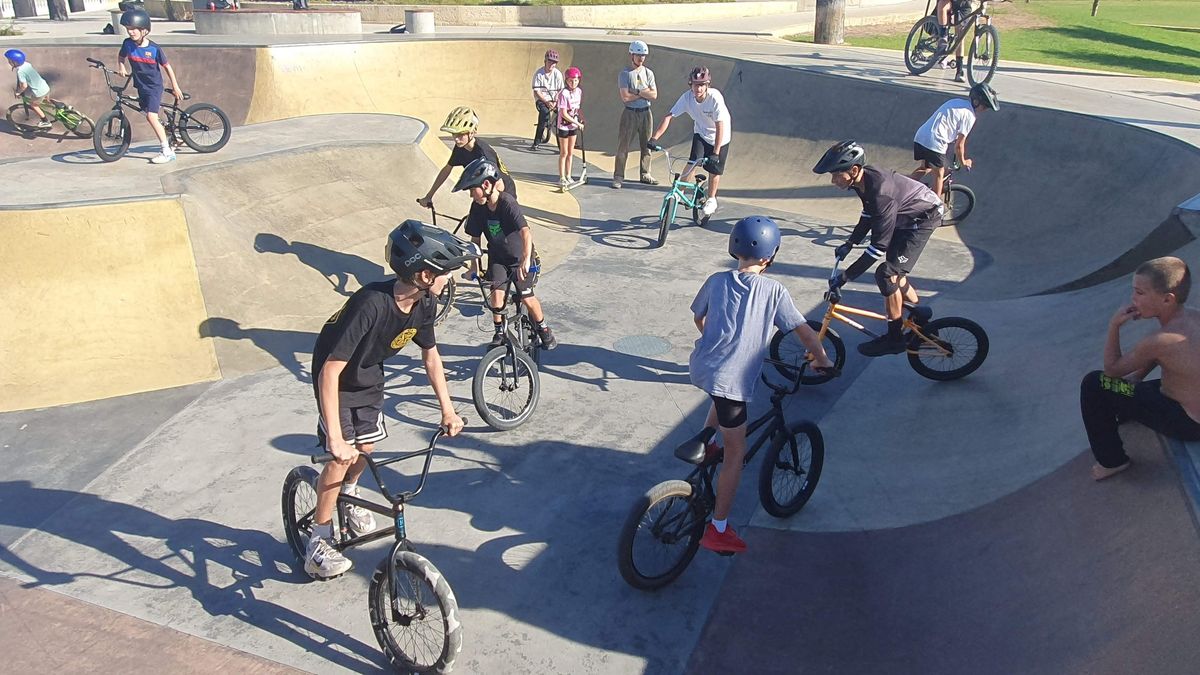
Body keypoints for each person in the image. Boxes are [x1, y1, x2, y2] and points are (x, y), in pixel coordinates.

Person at [305, 220, 478, 579]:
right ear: (427, 275)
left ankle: (348, 499)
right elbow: (330, 370)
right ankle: (318, 541)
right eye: (447, 273)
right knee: (340, 457)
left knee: (365, 451)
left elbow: (430, 355)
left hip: (368, 376)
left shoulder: (424, 304)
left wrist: (448, 409)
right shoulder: (371, 304)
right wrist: (335, 438)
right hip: (335, 379)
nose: (452, 280)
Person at [690, 216, 835, 553]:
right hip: (731, 379)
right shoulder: (774, 291)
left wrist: (714, 341)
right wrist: (823, 359)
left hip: (701, 366)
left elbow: (699, 317)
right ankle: (719, 528)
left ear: (733, 248)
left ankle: (708, 441)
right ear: (770, 256)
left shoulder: (716, 280)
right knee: (736, 454)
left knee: (720, 395)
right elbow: (803, 331)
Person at [813, 140, 943, 357]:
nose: (834, 180)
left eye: (837, 175)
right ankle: (920, 319)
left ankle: (894, 339)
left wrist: (845, 277)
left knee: (886, 273)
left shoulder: (881, 192)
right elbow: (867, 215)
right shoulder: (862, 182)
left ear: (854, 170)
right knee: (895, 273)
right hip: (905, 216)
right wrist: (850, 242)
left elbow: (877, 247)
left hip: (923, 218)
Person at [1081, 257, 1200, 481]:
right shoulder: (1193, 316)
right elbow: (1161, 354)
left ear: (1167, 299)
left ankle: (1112, 462)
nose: (1133, 299)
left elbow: (1113, 371)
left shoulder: (1157, 341)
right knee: (1132, 389)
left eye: (1140, 293)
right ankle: (1126, 406)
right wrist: (1138, 377)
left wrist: (1114, 326)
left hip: (1186, 422)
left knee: (1095, 384)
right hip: (1186, 399)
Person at [452, 157, 558, 350]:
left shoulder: (507, 202)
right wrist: (474, 267)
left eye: (471, 190)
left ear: (486, 185)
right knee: (496, 296)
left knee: (526, 297)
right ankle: (499, 332)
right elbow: (475, 239)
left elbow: (526, 232)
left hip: (520, 259)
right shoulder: (477, 207)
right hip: (498, 258)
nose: (470, 195)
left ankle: (543, 328)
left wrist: (526, 260)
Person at [649, 66, 731, 219]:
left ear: (707, 85)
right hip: (701, 133)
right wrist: (655, 138)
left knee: (713, 169)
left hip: (720, 137)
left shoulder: (715, 98)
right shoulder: (687, 98)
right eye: (695, 85)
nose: (698, 88)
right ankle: (681, 193)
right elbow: (669, 116)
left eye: (702, 85)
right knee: (692, 162)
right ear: (691, 85)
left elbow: (720, 125)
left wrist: (716, 152)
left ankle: (712, 199)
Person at [117, 9, 184, 165]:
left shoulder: (154, 49)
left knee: (150, 116)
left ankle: (167, 152)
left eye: (134, 29)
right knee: (146, 111)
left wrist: (175, 86)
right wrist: (121, 66)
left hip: (154, 86)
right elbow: (121, 56)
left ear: (144, 30)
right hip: (140, 85)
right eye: (128, 29)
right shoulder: (127, 44)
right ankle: (172, 134)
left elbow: (167, 67)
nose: (131, 32)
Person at [910, 83, 999, 200]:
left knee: (926, 167)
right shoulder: (970, 116)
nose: (985, 110)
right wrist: (964, 161)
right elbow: (959, 146)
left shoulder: (956, 101)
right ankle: (935, 208)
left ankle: (901, 187)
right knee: (939, 174)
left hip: (921, 136)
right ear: (977, 102)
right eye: (985, 106)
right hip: (935, 142)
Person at [417, 106, 516, 209]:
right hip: (482, 191)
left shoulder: (484, 154)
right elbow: (446, 170)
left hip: (503, 191)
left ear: (472, 133)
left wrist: (491, 207)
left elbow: (499, 184)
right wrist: (429, 196)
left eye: (460, 135)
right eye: (454, 135)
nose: (456, 139)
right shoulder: (460, 147)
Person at [612, 40, 658, 190]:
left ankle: (645, 173)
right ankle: (618, 176)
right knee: (623, 146)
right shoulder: (625, 74)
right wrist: (645, 93)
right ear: (632, 55)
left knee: (647, 146)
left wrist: (637, 92)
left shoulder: (648, 73)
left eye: (643, 56)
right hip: (630, 114)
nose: (641, 58)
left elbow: (654, 95)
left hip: (646, 112)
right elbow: (625, 97)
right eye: (638, 55)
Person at [5, 49, 53, 129]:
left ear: (15, 62)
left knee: (33, 105)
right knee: (46, 100)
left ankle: (45, 121)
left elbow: (24, 86)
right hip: (45, 86)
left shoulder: (20, 71)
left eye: (10, 61)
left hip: (39, 91)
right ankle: (63, 108)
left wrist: (18, 92)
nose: (9, 62)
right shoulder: (27, 64)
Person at [556, 66, 584, 193]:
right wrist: (576, 122)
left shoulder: (578, 92)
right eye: (571, 80)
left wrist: (581, 119)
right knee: (564, 152)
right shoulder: (563, 94)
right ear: (566, 80)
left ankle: (568, 175)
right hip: (564, 125)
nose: (574, 83)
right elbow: (564, 114)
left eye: (576, 80)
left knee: (571, 152)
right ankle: (561, 177)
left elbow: (577, 109)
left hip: (573, 125)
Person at [531, 49, 564, 151]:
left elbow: (560, 89)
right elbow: (537, 92)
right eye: (549, 62)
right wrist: (546, 102)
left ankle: (562, 144)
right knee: (544, 114)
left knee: (562, 116)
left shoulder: (557, 74)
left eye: (554, 63)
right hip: (542, 99)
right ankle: (536, 142)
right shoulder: (539, 74)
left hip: (554, 99)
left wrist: (555, 101)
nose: (551, 65)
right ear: (545, 61)